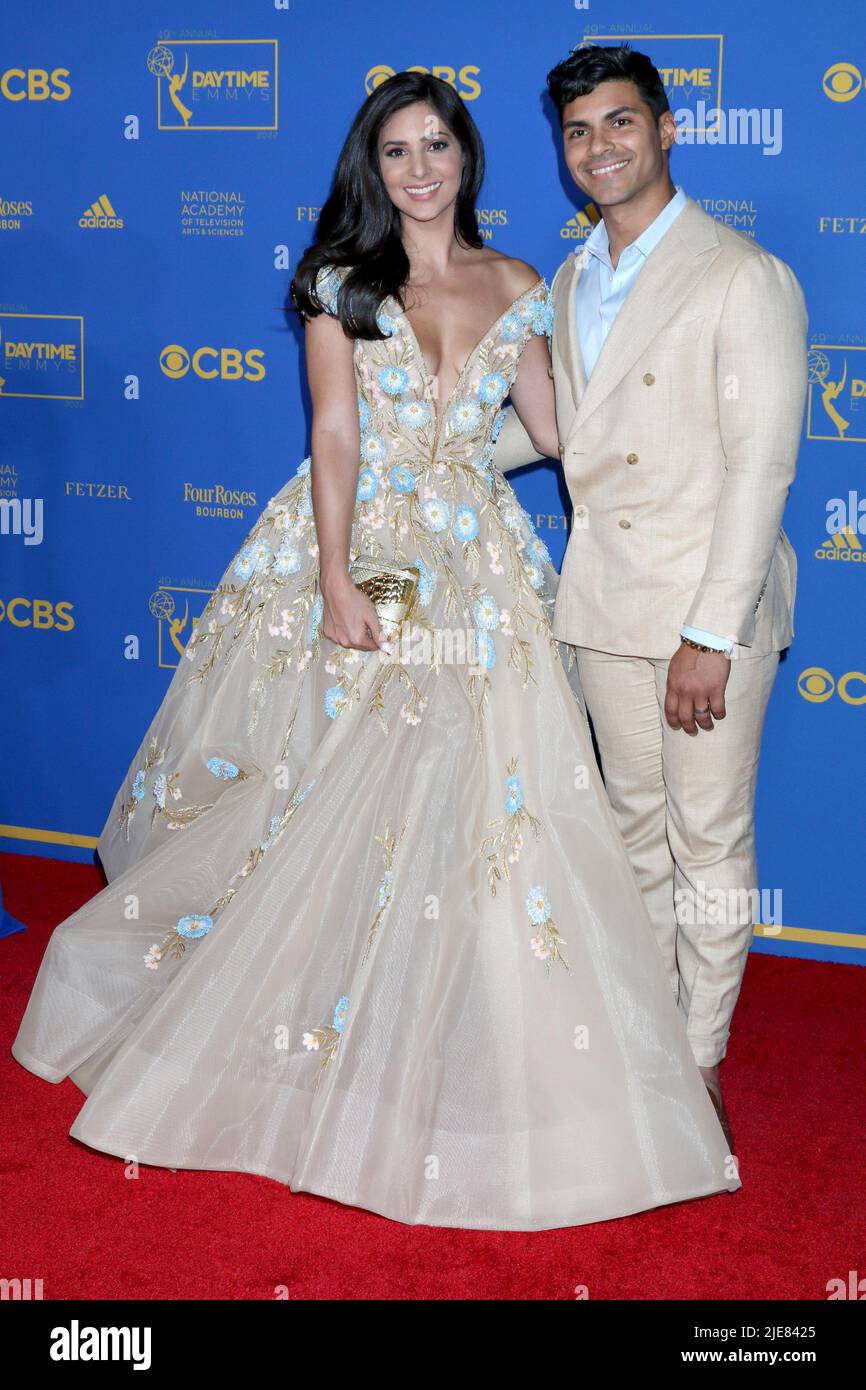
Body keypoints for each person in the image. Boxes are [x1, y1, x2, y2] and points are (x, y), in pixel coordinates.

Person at [11, 72, 739, 1231]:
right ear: (372, 166)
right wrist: (339, 574)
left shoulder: (516, 285)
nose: (417, 167)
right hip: (364, 559)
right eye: (394, 149)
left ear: (467, 158)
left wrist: (672, 463)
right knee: (331, 793)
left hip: (484, 574)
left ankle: (474, 1034)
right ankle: (303, 1022)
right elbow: (336, 434)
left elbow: (558, 438)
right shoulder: (341, 286)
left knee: (488, 810)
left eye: (436, 144)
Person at [494, 45, 809, 1152]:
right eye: (578, 131)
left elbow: (758, 466)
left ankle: (698, 1061)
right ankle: (643, 1043)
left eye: (619, 123)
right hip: (604, 608)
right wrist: (427, 455)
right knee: (630, 833)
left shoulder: (740, 274)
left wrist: (707, 634)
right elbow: (568, 440)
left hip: (698, 618)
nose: (599, 149)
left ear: (666, 128)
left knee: (707, 838)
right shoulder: (572, 278)